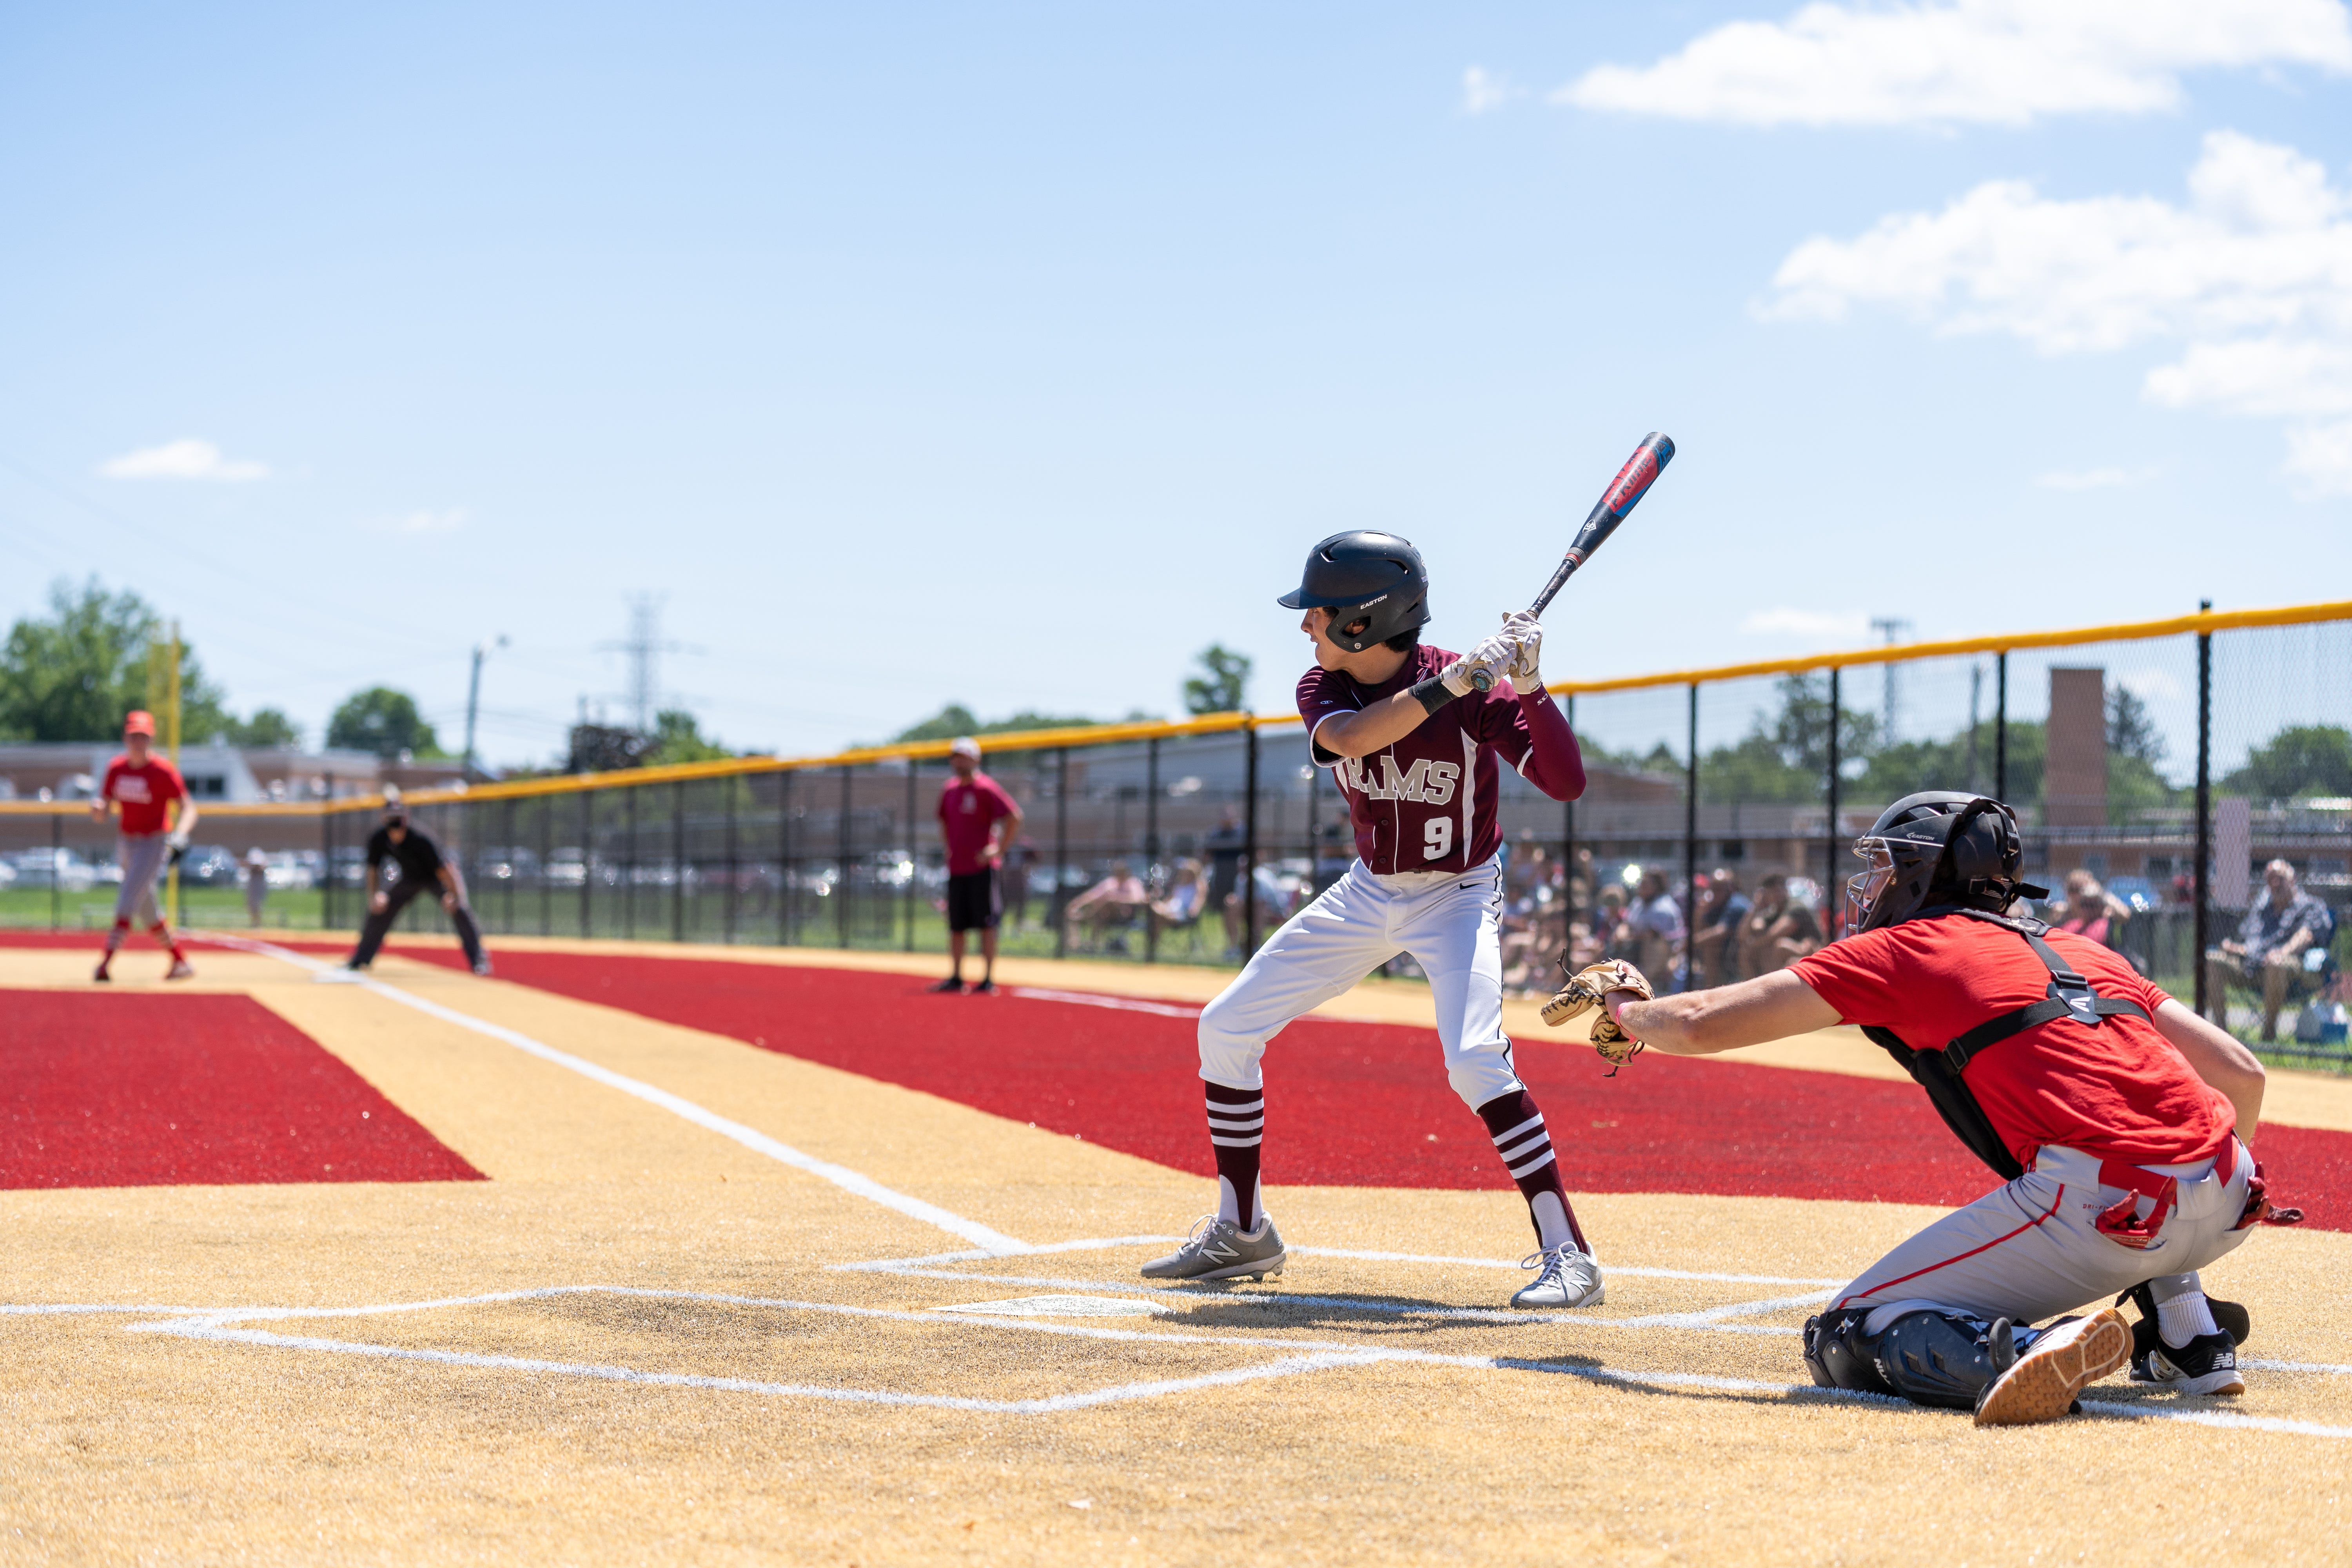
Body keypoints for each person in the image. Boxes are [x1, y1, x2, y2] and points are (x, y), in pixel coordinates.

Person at [1566, 792, 2281, 1426]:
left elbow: (1698, 1023)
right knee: (2148, 1137)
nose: (1873, 882)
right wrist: (2196, 1193)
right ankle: (2192, 1335)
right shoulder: (2081, 948)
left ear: (1925, 873)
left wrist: (1628, 1006)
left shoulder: (1906, 947)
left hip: (2103, 1209)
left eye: (1887, 863)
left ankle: (2037, 1346)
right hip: (2229, 1193)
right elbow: (2242, 1076)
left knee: (1845, 1334)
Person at [1142, 529, 1600, 1310]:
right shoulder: (1326, 687)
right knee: (1224, 1026)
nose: (1304, 626)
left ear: (1360, 622)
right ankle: (1244, 1226)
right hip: (1368, 890)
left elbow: (1565, 782)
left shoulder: (1476, 688)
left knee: (1474, 1060)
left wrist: (1528, 685)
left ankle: (1570, 1254)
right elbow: (1355, 737)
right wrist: (1456, 684)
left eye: (1316, 613)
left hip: (1457, 892)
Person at [90, 710, 198, 982]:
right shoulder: (116, 768)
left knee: (127, 897)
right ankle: (180, 962)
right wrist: (99, 809)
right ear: (125, 737)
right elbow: (104, 810)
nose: (138, 742)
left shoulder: (162, 771)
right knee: (146, 907)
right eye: (134, 736)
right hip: (126, 841)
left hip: (154, 842)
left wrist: (181, 835)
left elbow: (189, 808)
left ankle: (105, 963)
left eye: (144, 736)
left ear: (151, 739)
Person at [343, 791, 490, 975]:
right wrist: (375, 896)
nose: (396, 828)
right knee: (379, 910)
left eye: (399, 821)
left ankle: (479, 961)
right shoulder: (379, 838)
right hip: (410, 879)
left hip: (436, 878)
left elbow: (446, 871)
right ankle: (360, 960)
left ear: (407, 818)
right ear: (384, 820)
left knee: (460, 909)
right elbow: (373, 870)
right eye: (392, 821)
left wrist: (454, 896)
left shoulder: (422, 839)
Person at [2207, 858, 2335, 1042]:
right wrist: (2234, 949)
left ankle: (2269, 1033)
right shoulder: (2261, 909)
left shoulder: (2310, 906)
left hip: (2292, 971)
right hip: (2253, 967)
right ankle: (2222, 1036)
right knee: (2212, 960)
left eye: (2280, 878)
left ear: (2293, 880)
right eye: (2270, 879)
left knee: (2276, 964)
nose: (2275, 884)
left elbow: (2306, 936)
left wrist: (2282, 953)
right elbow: (2250, 943)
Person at [934, 736, 1021, 993]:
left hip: (982, 869)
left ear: (976, 759)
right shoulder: (949, 790)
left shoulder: (986, 788)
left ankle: (987, 979)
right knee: (957, 925)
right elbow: (943, 821)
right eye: (955, 757)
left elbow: (1014, 817)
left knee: (986, 924)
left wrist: (998, 849)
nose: (958, 761)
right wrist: (948, 848)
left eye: (963, 756)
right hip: (956, 868)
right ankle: (957, 977)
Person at [1736, 873, 1821, 976]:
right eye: (1771, 891)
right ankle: (1752, 989)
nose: (1777, 894)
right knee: (1747, 953)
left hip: (1813, 951)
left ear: (1785, 890)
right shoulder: (1773, 912)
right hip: (1789, 956)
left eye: (1779, 889)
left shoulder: (1796, 906)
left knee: (1780, 946)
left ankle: (1770, 988)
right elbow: (1743, 935)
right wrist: (1755, 907)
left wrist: (1753, 945)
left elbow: (1776, 933)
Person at [1063, 859, 1148, 951]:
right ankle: (1076, 945)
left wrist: (1116, 898)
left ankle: (1087, 917)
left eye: (1121, 872)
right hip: (1103, 914)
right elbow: (1092, 895)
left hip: (1124, 916)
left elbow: (1138, 899)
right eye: (1117, 872)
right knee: (1072, 913)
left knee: (1108, 903)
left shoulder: (1133, 883)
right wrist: (1076, 905)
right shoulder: (1110, 883)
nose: (1118, 874)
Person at [1690, 867, 1751, 987]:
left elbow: (1721, 931)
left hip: (1742, 951)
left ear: (1730, 889)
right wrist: (1701, 911)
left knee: (1711, 946)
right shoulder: (1716, 905)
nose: (1714, 893)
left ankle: (1710, 990)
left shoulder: (1737, 903)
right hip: (1727, 951)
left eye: (1719, 889)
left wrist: (1691, 943)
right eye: (1712, 889)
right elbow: (1700, 928)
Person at [1203, 805, 1247, 958]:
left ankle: (1246, 946)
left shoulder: (1243, 832)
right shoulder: (1216, 834)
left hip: (1241, 879)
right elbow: (1206, 855)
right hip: (1221, 878)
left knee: (1241, 911)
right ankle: (1233, 946)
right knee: (1227, 912)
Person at [243, 847, 271, 927]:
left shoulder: (263, 863)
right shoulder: (250, 864)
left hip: (259, 883)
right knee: (250, 904)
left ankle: (258, 923)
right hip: (253, 883)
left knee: (257, 904)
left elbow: (264, 867)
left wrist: (259, 867)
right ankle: (254, 922)